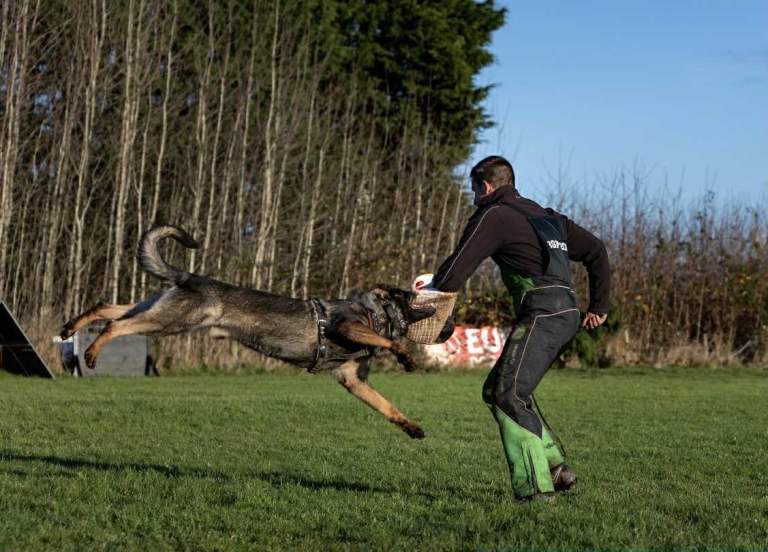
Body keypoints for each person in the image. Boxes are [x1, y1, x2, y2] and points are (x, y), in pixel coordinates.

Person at [432, 155, 610, 501]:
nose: (473, 199)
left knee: (507, 394)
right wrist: (599, 306)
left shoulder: (494, 214)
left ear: (485, 187)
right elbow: (597, 250)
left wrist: (431, 296)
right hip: (565, 312)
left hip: (543, 313)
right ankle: (556, 468)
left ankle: (535, 489)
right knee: (500, 390)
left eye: (473, 191)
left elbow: (459, 264)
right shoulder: (547, 217)